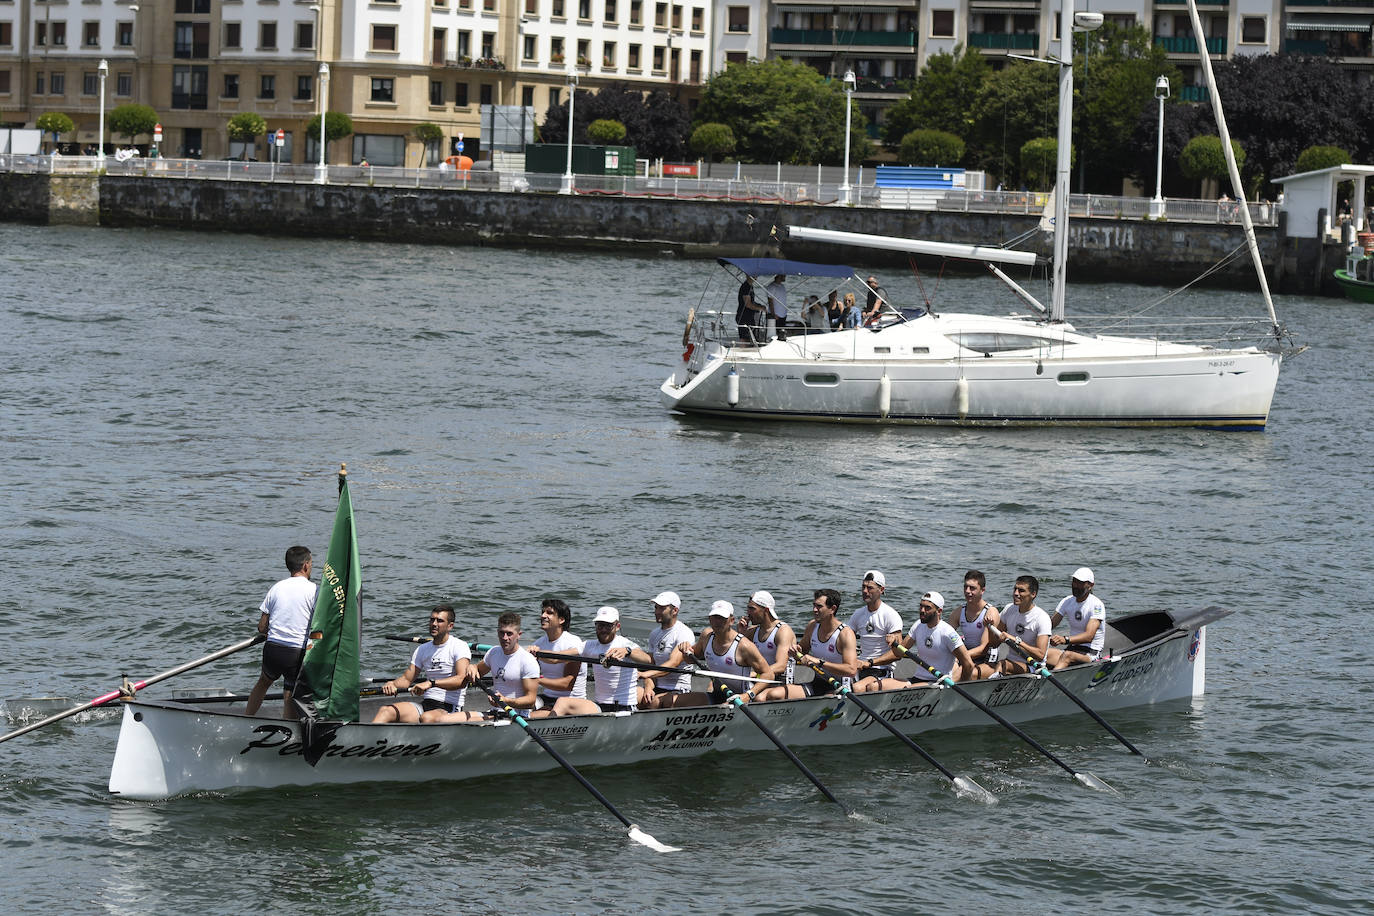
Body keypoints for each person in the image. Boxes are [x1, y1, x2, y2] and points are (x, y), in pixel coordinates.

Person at [245, 546, 316, 717]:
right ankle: (289, 730)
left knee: (263, 682)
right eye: (312, 563)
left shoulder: (276, 588)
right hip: (296, 653)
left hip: (273, 649)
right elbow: (320, 625)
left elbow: (262, 627)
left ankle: (247, 717)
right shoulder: (315, 590)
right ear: (306, 565)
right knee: (289, 693)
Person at [659, 601, 772, 707]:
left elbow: (768, 674)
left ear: (731, 620)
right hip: (716, 695)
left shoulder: (744, 646)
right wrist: (686, 649)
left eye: (722, 618)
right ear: (709, 619)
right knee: (667, 701)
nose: (717, 622)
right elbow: (691, 659)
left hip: (740, 699)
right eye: (715, 618)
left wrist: (748, 695)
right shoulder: (706, 637)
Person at [429, 612, 540, 721]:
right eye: (501, 633)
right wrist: (472, 667)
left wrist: (506, 700)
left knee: (450, 721)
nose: (505, 638)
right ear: (497, 632)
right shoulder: (494, 652)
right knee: (443, 719)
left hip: (517, 716)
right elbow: (478, 669)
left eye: (509, 634)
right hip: (495, 712)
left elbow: (530, 701)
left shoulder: (527, 661)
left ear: (519, 635)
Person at [540, 607, 651, 714]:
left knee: (562, 702)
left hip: (624, 707)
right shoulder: (589, 645)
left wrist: (628, 652)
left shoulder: (625, 643)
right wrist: (536, 653)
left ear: (617, 626)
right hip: (599, 706)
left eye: (608, 626)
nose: (603, 629)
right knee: (562, 702)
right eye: (600, 625)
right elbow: (556, 658)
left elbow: (647, 660)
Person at [856, 591, 975, 690]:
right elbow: (899, 653)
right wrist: (891, 645)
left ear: (939, 611)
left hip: (937, 682)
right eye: (921, 606)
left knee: (906, 691)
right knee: (874, 687)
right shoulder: (918, 625)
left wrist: (961, 688)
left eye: (927, 608)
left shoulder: (948, 633)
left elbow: (968, 664)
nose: (922, 610)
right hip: (916, 679)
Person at [373, 605, 472, 723]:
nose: (434, 624)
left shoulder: (459, 646)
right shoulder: (422, 649)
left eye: (439, 621)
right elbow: (406, 679)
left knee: (427, 718)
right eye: (432, 620)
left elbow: (462, 680)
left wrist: (431, 684)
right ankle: (366, 740)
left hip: (450, 707)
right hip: (426, 704)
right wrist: (392, 684)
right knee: (386, 710)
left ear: (450, 626)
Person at [756, 588, 856, 700]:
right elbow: (802, 650)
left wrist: (820, 663)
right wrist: (796, 650)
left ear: (832, 609)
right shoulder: (812, 626)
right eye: (814, 605)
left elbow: (851, 670)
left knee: (825, 700)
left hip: (840, 686)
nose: (814, 610)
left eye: (819, 606)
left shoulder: (845, 634)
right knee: (771, 695)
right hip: (817, 683)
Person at [526, 597, 588, 716]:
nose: (543, 616)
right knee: (517, 708)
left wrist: (536, 679)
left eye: (549, 613)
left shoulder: (572, 643)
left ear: (561, 620)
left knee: (529, 717)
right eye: (543, 612)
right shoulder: (538, 644)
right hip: (547, 698)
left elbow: (566, 685)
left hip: (571, 702)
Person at [639, 590, 696, 708]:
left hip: (678, 690)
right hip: (658, 687)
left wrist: (645, 674)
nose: (656, 612)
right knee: (632, 696)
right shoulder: (654, 634)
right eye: (656, 608)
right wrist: (648, 688)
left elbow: (672, 665)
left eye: (661, 608)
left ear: (675, 611)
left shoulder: (684, 633)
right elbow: (652, 665)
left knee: (653, 703)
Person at [1046, 567, 1107, 668]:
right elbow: (1050, 624)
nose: (1075, 585)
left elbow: (1089, 636)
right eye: (1074, 581)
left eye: (1080, 583)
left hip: (1090, 654)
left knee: (1067, 656)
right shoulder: (1067, 601)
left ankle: (1047, 683)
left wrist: (1064, 640)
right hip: (1072, 649)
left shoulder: (1096, 605)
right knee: (1042, 653)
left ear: (1090, 586)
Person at [990, 575, 1051, 676]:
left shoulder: (1042, 618)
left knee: (1002, 664)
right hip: (1010, 661)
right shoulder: (1009, 609)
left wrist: (1016, 641)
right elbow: (995, 642)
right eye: (1015, 589)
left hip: (1033, 666)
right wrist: (989, 626)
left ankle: (994, 689)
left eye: (1021, 590)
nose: (1016, 593)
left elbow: (1040, 655)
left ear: (1033, 594)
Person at [847, 570, 902, 681]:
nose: (865, 591)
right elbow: (845, 638)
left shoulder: (890, 615)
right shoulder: (858, 614)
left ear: (881, 590)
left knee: (856, 688)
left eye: (870, 588)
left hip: (881, 669)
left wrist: (870, 663)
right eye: (863, 587)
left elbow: (898, 654)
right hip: (860, 666)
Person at [739, 590, 797, 688]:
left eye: (752, 609)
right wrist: (741, 633)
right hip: (761, 679)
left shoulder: (783, 631)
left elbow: (780, 666)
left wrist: (756, 674)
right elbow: (736, 655)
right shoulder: (752, 631)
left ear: (766, 610)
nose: (748, 613)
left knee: (760, 698)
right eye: (748, 608)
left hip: (780, 682)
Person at [951, 569, 1002, 678]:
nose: (967, 591)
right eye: (965, 587)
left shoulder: (990, 612)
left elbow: (983, 649)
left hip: (986, 660)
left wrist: (960, 656)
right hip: (967, 655)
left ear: (982, 590)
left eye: (972, 588)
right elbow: (944, 635)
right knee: (949, 667)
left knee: (964, 670)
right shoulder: (959, 611)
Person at [735, 277, 765, 343]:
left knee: (751, 338)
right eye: (754, 275)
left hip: (750, 317)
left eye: (756, 276)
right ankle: (743, 351)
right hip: (743, 316)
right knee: (744, 338)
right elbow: (748, 304)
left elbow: (752, 301)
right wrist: (760, 308)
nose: (756, 277)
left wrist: (760, 305)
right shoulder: (745, 287)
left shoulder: (750, 286)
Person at [764, 273, 788, 339]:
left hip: (783, 314)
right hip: (775, 315)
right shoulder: (771, 287)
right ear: (779, 276)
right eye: (784, 275)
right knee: (774, 335)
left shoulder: (782, 286)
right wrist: (773, 314)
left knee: (781, 334)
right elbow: (770, 301)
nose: (785, 276)